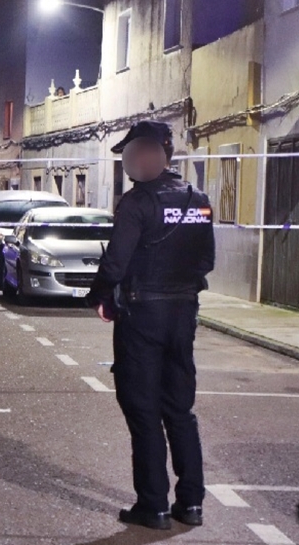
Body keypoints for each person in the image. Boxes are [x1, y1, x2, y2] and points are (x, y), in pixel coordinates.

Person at [86, 120, 216, 530]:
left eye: (135, 154)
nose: (130, 163)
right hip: (183, 315)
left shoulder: (137, 203)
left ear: (157, 153)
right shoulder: (198, 198)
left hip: (142, 316)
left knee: (143, 409)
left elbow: (116, 262)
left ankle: (154, 505)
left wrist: (100, 297)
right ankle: (191, 503)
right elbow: (207, 261)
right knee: (180, 409)